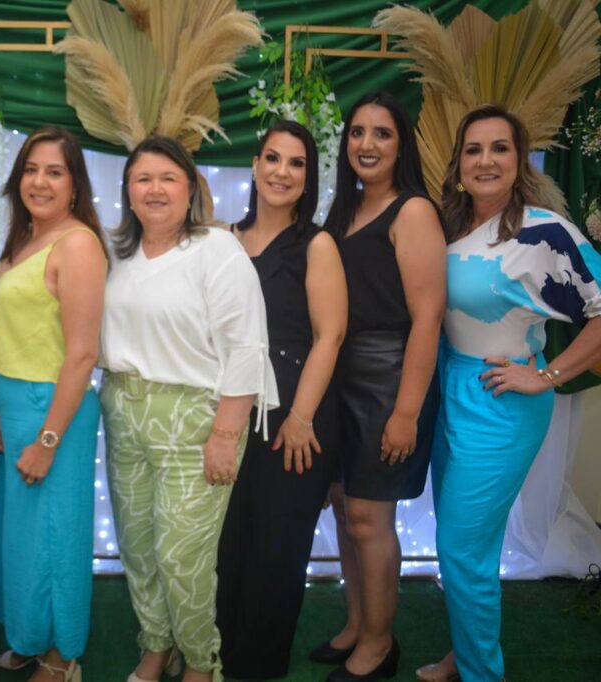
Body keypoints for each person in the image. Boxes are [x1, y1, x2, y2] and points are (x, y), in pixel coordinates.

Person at [414, 105, 601, 682]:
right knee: (464, 544)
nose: (486, 160)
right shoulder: (449, 225)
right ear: (458, 163)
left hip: (501, 399)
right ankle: (467, 650)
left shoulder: (544, 230)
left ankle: (480, 673)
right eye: (474, 149)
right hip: (447, 386)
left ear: (519, 159)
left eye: (500, 148)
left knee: (462, 547)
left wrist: (544, 376)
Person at [99, 135, 278, 682]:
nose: (155, 189)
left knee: (182, 556)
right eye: (143, 179)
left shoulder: (216, 249)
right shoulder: (117, 254)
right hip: (123, 410)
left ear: (190, 189)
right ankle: (157, 645)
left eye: (167, 178)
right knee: (138, 548)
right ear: (128, 191)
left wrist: (226, 435)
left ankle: (201, 662)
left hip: (197, 420)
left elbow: (247, 346)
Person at [314, 91, 446, 682]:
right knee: (347, 510)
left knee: (370, 518)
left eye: (382, 133)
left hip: (389, 377)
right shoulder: (344, 209)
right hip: (341, 374)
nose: (367, 144)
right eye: (358, 132)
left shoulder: (412, 211)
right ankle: (356, 623)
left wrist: (406, 412)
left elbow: (428, 316)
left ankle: (378, 643)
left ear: (401, 145)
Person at [215, 120, 347, 679]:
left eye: (297, 163)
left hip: (296, 413)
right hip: (230, 410)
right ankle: (213, 652)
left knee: (276, 548)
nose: (282, 172)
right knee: (225, 542)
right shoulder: (222, 239)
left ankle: (256, 664)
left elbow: (330, 336)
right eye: (273, 158)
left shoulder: (317, 245)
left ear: (309, 178)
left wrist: (300, 417)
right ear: (254, 165)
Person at [0, 127, 108, 682]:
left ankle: (64, 654)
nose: (40, 181)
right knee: (21, 537)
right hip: (13, 407)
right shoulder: (23, 239)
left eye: (54, 172)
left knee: (58, 535)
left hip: (52, 409)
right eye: (31, 170)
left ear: (74, 184)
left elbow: (82, 356)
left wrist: (47, 440)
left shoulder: (77, 244)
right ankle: (29, 636)